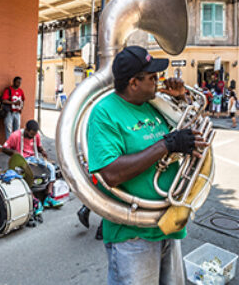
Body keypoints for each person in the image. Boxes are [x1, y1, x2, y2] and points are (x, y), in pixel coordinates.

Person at [87, 46, 207, 285]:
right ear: (133, 82)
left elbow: (192, 132)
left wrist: (181, 100)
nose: (158, 81)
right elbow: (111, 173)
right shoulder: (104, 113)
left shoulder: (155, 103)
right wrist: (167, 144)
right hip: (133, 235)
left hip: (167, 224)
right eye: (152, 77)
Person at [2, 120, 62, 208]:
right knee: (27, 174)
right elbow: (4, 149)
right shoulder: (15, 135)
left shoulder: (36, 135)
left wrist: (42, 151)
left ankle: (49, 196)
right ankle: (35, 201)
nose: (32, 137)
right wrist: (14, 152)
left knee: (51, 168)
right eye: (31, 134)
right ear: (26, 129)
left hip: (33, 159)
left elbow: (38, 146)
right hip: (21, 160)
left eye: (34, 135)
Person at [2, 76, 25, 141]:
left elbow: (23, 100)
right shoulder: (8, 90)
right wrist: (14, 103)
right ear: (14, 82)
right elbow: (4, 100)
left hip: (17, 112)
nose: (19, 84)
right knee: (8, 129)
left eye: (20, 83)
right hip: (9, 112)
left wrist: (22, 108)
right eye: (17, 82)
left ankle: (15, 145)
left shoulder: (21, 91)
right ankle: (8, 146)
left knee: (17, 130)